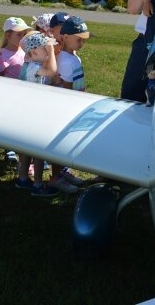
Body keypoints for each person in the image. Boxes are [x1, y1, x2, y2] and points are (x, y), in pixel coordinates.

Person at [47, 16, 91, 194]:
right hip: (66, 108)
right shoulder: (65, 61)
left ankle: (62, 171)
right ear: (65, 38)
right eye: (78, 39)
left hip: (76, 105)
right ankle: (55, 177)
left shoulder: (73, 58)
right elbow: (66, 90)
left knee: (66, 143)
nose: (81, 43)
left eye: (83, 40)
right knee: (59, 143)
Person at [14, 32, 60, 197]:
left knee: (27, 148)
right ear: (33, 53)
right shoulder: (34, 68)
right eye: (44, 49)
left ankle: (23, 178)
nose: (48, 51)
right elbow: (53, 71)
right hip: (34, 114)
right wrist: (53, 52)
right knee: (39, 150)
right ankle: (38, 185)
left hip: (28, 112)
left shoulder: (32, 65)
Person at [0, 16, 33, 164]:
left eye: (24, 34)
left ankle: (18, 145)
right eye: (19, 34)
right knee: (9, 122)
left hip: (23, 94)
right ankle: (9, 147)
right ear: (8, 35)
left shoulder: (25, 52)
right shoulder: (2, 55)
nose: (22, 38)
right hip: (9, 95)